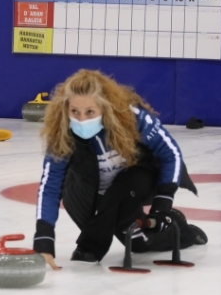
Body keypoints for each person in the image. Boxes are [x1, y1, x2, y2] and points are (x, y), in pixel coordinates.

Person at [32, 69, 206, 268]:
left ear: (105, 107)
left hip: (137, 181)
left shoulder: (131, 117)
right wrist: (44, 241)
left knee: (124, 187)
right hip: (89, 192)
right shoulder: (61, 134)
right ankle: (183, 230)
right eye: (74, 112)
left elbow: (171, 153)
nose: (81, 119)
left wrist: (163, 202)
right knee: (139, 244)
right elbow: (50, 186)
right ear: (65, 109)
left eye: (90, 112)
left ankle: (90, 247)